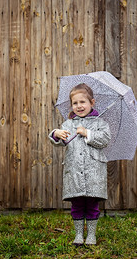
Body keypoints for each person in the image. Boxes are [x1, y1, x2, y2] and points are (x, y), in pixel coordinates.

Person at [49, 83, 111, 245]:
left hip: (94, 171)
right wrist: (56, 134)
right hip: (74, 171)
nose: (79, 106)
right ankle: (78, 235)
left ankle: (91, 235)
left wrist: (87, 133)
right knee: (77, 204)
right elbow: (61, 142)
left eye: (83, 102)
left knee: (91, 204)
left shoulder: (101, 123)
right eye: (75, 103)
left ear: (92, 102)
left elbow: (104, 139)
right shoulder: (68, 124)